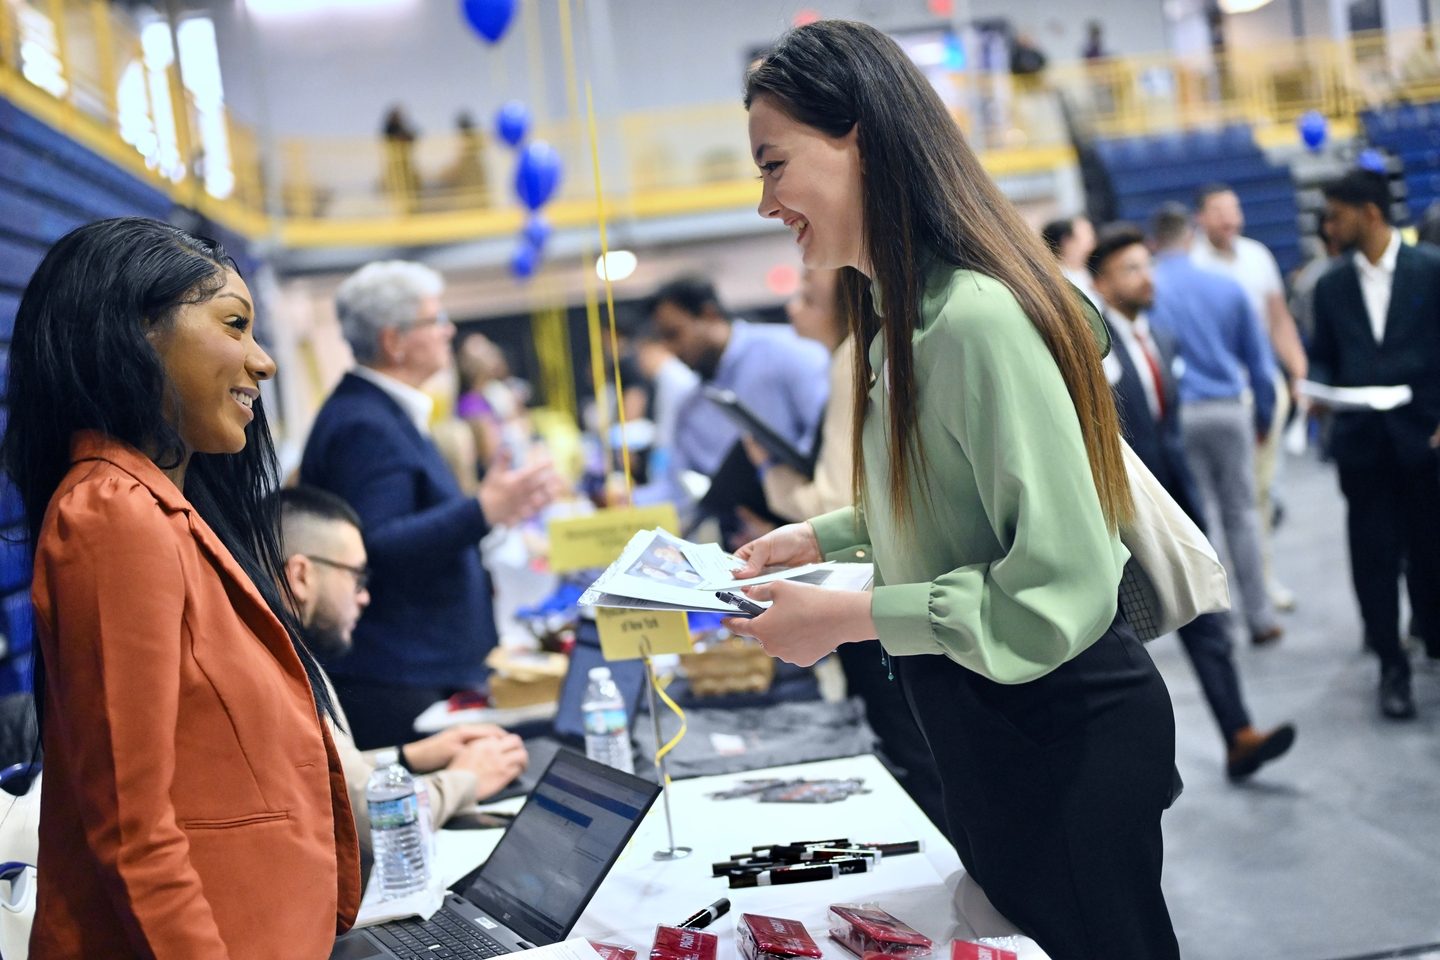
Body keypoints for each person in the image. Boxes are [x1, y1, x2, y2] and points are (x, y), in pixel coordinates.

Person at [732, 22, 1180, 958]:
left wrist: (844, 619)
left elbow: (1057, 582)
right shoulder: (906, 316)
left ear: (856, 134)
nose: (767, 200)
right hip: (994, 726)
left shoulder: (973, 319)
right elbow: (953, 494)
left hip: (1059, 728)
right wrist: (823, 538)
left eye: (776, 164)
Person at [2, 217, 359, 958]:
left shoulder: (161, 513)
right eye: (234, 324)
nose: (262, 362)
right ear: (138, 334)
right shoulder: (113, 514)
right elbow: (134, 830)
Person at [301, 260, 558, 748]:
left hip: (416, 665)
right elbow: (376, 543)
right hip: (400, 673)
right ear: (393, 340)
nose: (449, 331)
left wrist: (493, 511)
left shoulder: (379, 413)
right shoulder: (365, 425)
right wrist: (483, 510)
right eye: (434, 320)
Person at [742, 266, 946, 828]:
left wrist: (772, 477)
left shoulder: (854, 355)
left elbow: (832, 495)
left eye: (807, 298)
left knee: (914, 750)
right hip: (892, 578)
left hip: (873, 584)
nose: (792, 310)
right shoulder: (876, 348)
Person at [1090, 225, 1295, 780]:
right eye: (1130, 269)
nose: (1145, 277)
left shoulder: (1164, 337)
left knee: (1205, 616)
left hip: (1173, 499)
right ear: (1103, 284)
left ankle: (1238, 736)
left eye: (1146, 265)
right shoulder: (1093, 349)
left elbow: (1166, 428)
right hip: (1119, 516)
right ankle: (1136, 768)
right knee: (1123, 643)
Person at [276, 487, 528, 861]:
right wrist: (465, 778)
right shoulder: (278, 666)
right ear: (301, 576)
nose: (365, 597)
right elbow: (371, 820)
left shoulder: (288, 650)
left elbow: (332, 779)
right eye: (357, 578)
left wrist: (410, 757)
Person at [1311, 169, 1440, 719]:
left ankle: (1433, 636)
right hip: (1363, 446)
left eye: (1337, 213)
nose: (1328, 225)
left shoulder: (1429, 270)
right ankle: (1392, 665)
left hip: (1425, 437)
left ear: (1369, 213)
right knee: (1375, 560)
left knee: (1432, 553)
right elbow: (1323, 353)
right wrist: (1314, 387)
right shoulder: (1330, 285)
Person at [1148, 203, 1283, 646]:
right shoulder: (1224, 285)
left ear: (1154, 243)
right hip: (1228, 409)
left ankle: (1216, 622)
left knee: (1197, 520)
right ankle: (1260, 618)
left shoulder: (1149, 291)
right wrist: (1263, 414)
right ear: (1190, 237)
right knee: (1243, 514)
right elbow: (1260, 363)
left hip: (1178, 416)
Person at [1192, 182, 1308, 613]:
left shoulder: (1257, 257)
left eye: (1234, 209)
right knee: (1215, 500)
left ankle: (1261, 581)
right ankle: (1215, 590)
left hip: (1260, 390)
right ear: (1200, 217)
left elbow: (1279, 320)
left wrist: (1297, 370)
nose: (1229, 218)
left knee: (1259, 493)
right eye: (1218, 210)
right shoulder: (1192, 264)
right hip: (1213, 395)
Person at [649, 273, 829, 482]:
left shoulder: (789, 351)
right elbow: (676, 486)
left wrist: (779, 483)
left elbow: (827, 439)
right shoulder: (690, 408)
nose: (670, 350)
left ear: (709, 315)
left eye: (674, 334)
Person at [1041, 214, 1101, 308]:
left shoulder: (1092, 270)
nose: (1093, 240)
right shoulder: (1055, 277)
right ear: (1067, 241)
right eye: (1087, 234)